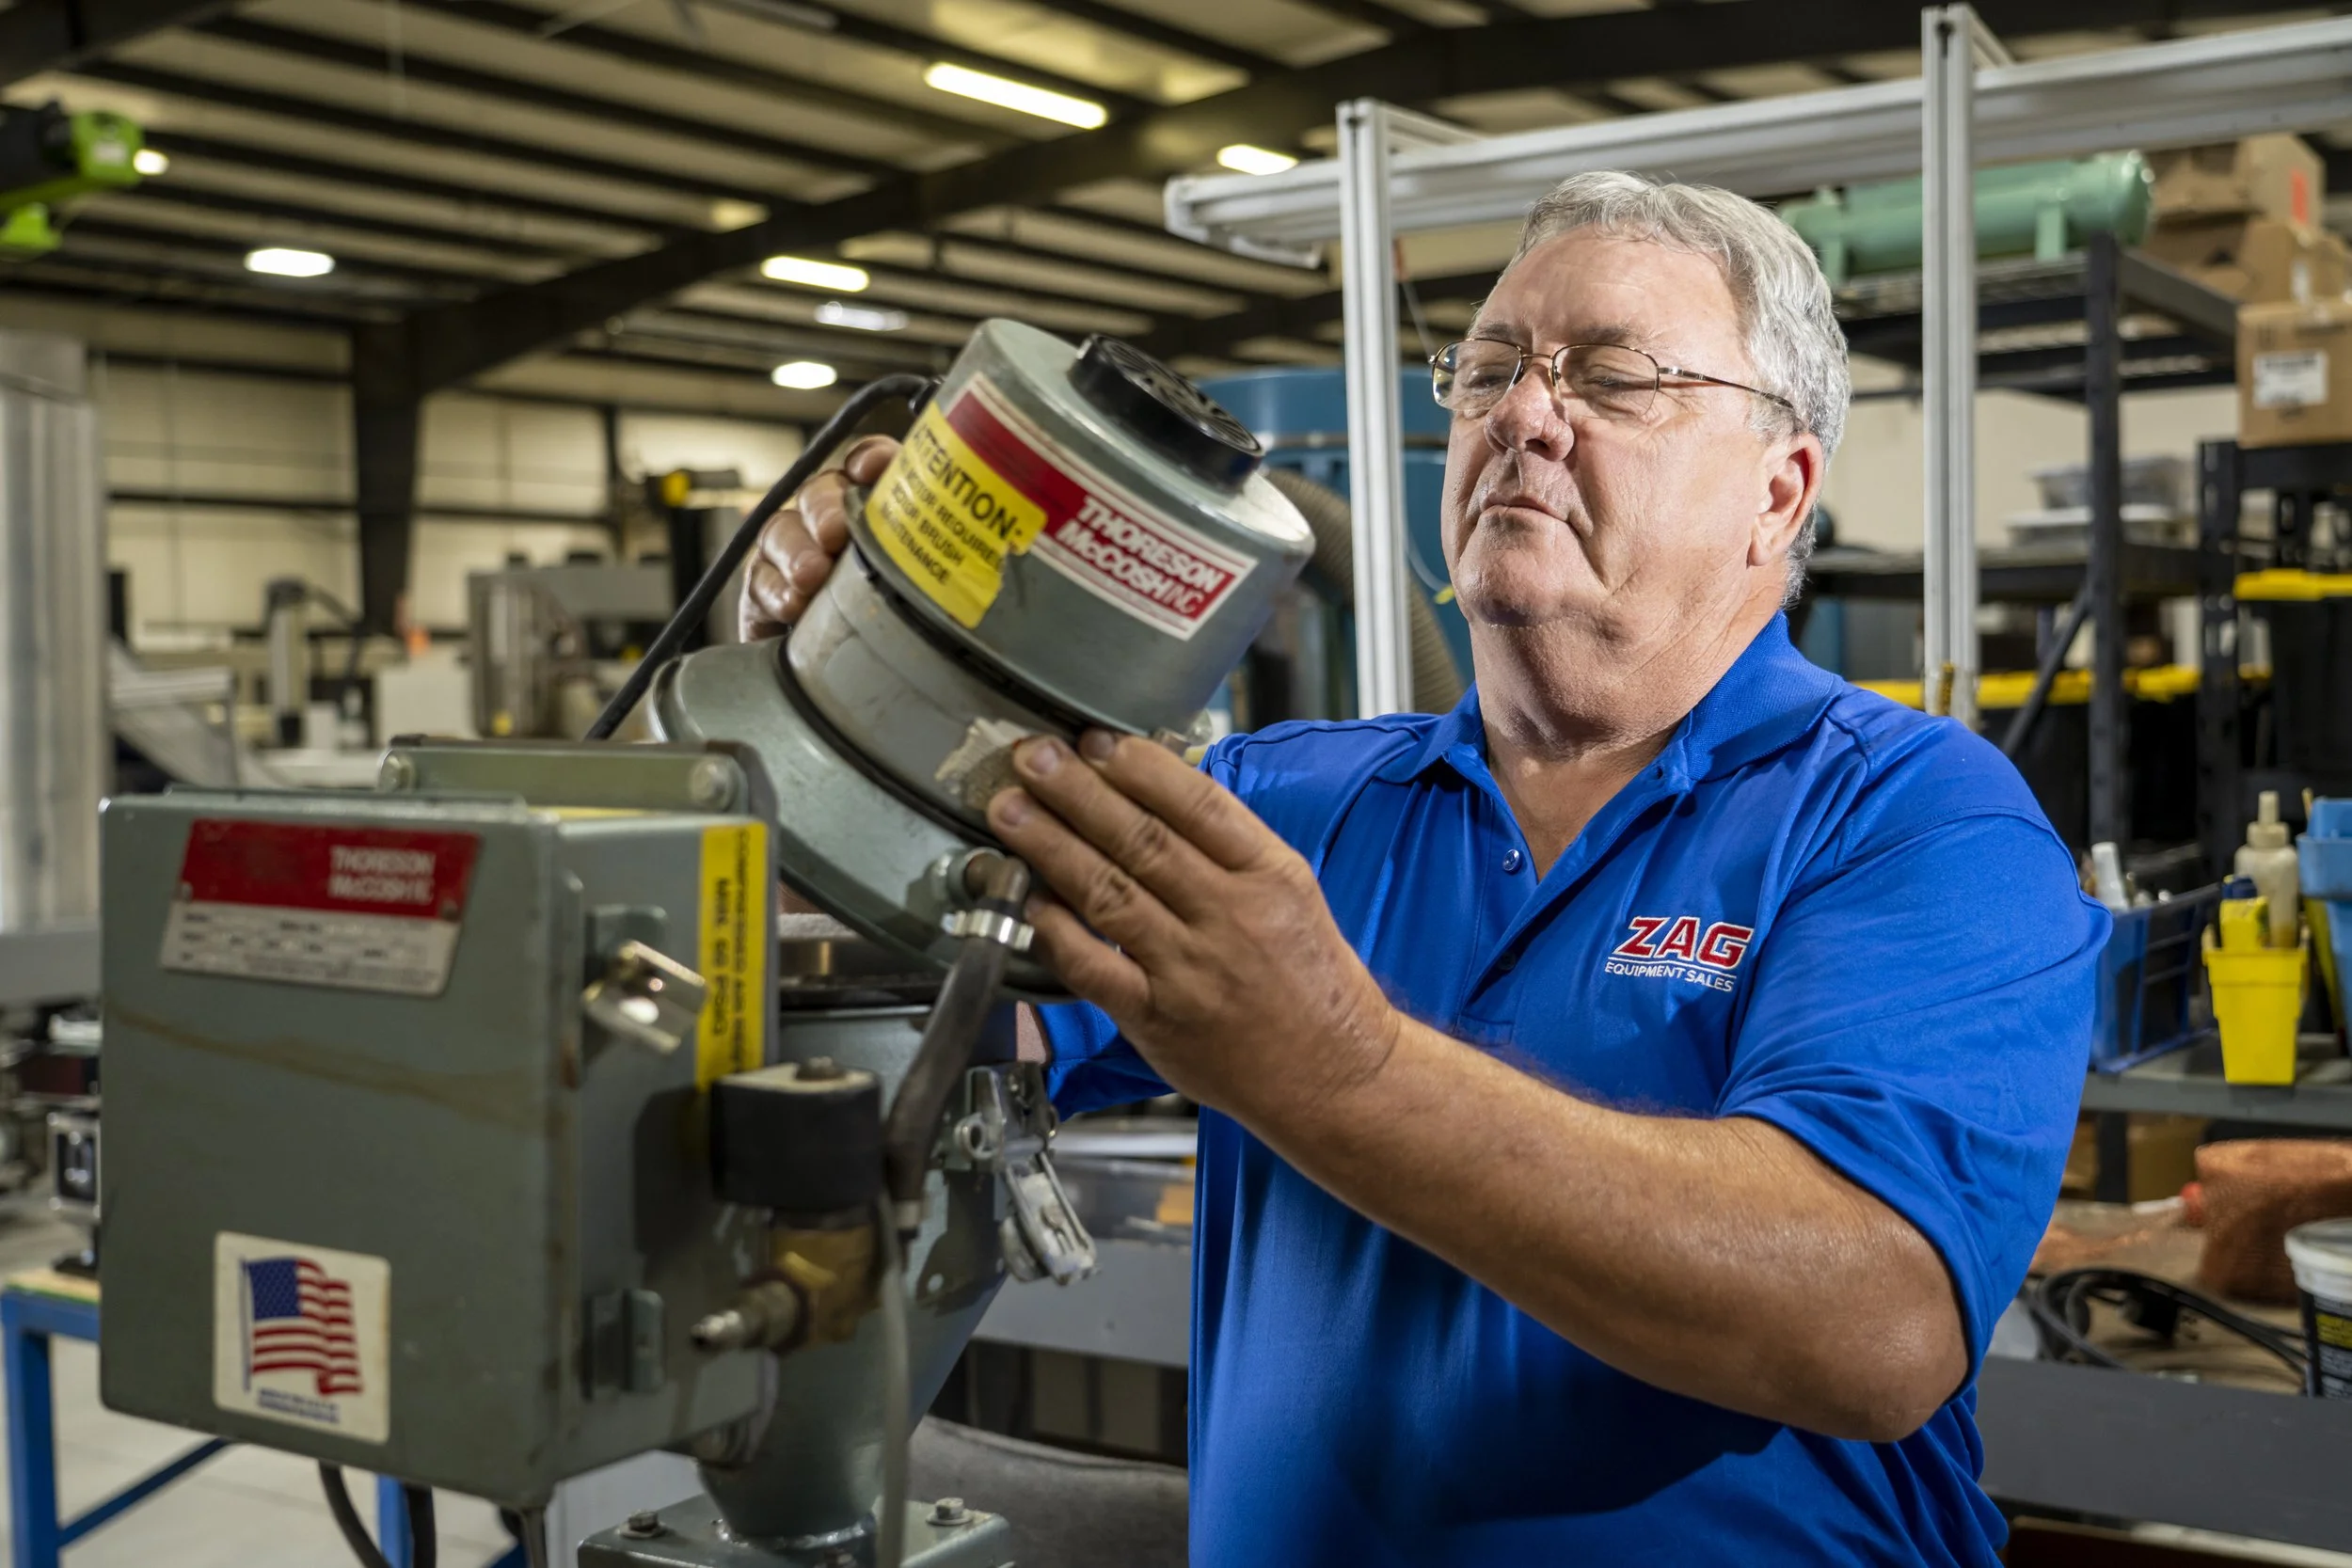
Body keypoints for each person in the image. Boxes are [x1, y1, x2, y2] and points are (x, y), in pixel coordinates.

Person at [740, 171, 2106, 1567]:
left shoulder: (1913, 818)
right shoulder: (1284, 800)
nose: (1521, 413)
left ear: (1779, 489)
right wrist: (849, 675)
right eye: (1492, 369)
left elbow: (1869, 1322)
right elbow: (895, 1013)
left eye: (1615, 379)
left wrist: (1336, 1069)